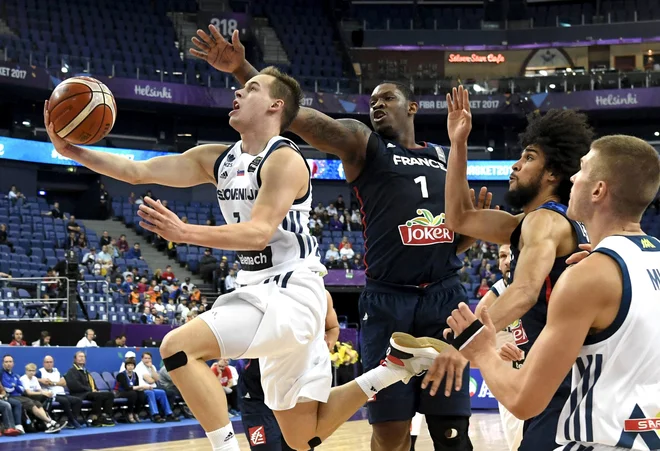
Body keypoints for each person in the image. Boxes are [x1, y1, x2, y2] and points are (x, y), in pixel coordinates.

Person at [45, 63, 449, 451]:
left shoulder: (285, 159)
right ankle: (393, 368)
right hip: (262, 290)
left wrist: (185, 233)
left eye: (252, 88)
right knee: (303, 436)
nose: (238, 91)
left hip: (292, 293)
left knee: (178, 348)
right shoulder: (218, 159)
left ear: (276, 106)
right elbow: (138, 171)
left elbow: (258, 233)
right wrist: (73, 150)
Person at [193, 26, 489, 451]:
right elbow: (295, 116)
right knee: (389, 433)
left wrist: (470, 236)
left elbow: (452, 239)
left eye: (388, 98)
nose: (378, 105)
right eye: (373, 101)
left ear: (413, 106)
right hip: (388, 300)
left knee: (451, 431)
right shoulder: (363, 145)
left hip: (444, 294)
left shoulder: (444, 157)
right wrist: (242, 69)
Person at [446, 135, 660, 450]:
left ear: (598, 190)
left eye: (583, 170)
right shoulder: (642, 258)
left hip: (597, 440)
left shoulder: (588, 274)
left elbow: (523, 400)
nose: (573, 177)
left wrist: (480, 350)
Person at [423, 87, 592, 450]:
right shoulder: (530, 223)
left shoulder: (543, 221)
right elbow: (458, 217)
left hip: (561, 380)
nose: (516, 164)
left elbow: (524, 291)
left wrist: (465, 344)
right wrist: (458, 143)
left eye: (528, 157)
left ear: (552, 174)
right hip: (562, 375)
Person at [239, 290, 340, 451]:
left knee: (300, 447)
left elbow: (333, 327)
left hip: (296, 386)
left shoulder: (321, 294)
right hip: (257, 391)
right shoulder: (259, 291)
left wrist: (327, 343)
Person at [474, 244, 524, 451]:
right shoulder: (490, 302)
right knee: (517, 442)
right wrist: (494, 355)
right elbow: (475, 349)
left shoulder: (549, 285)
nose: (507, 260)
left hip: (545, 372)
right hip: (511, 377)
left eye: (512, 255)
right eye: (503, 255)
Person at [1, 355, 66, 433]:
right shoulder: (2, 374)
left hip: (19, 396)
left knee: (38, 403)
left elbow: (20, 389)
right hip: (10, 397)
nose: (8, 363)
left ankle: (48, 425)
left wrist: (14, 386)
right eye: (6, 362)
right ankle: (51, 421)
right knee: (31, 403)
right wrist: (14, 386)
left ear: (13, 363)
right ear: (3, 363)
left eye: (10, 362)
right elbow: (9, 389)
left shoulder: (14, 375)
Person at [64, 351, 115, 427]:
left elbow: (92, 383)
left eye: (83, 357)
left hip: (88, 393)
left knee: (109, 395)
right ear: (75, 359)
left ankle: (106, 416)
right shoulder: (71, 371)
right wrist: (90, 390)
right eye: (80, 356)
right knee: (97, 395)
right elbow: (75, 386)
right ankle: (96, 418)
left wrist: (95, 389)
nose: (82, 358)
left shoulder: (85, 371)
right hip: (79, 394)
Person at [37, 355, 83, 428]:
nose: (49, 364)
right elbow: (31, 378)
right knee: (65, 401)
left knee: (78, 400)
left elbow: (64, 383)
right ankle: (72, 420)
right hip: (53, 395)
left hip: (62, 394)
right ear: (43, 363)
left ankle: (72, 420)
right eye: (47, 362)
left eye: (50, 362)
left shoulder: (56, 371)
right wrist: (40, 380)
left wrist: (53, 383)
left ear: (53, 363)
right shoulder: (40, 372)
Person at [116, 357, 149, 423]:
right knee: (133, 394)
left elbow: (136, 385)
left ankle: (136, 412)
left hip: (131, 391)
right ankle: (129, 412)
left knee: (141, 394)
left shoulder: (135, 374)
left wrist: (143, 388)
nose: (130, 367)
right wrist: (140, 387)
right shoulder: (121, 375)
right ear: (126, 366)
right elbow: (126, 388)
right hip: (121, 392)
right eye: (128, 365)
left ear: (134, 366)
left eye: (132, 365)